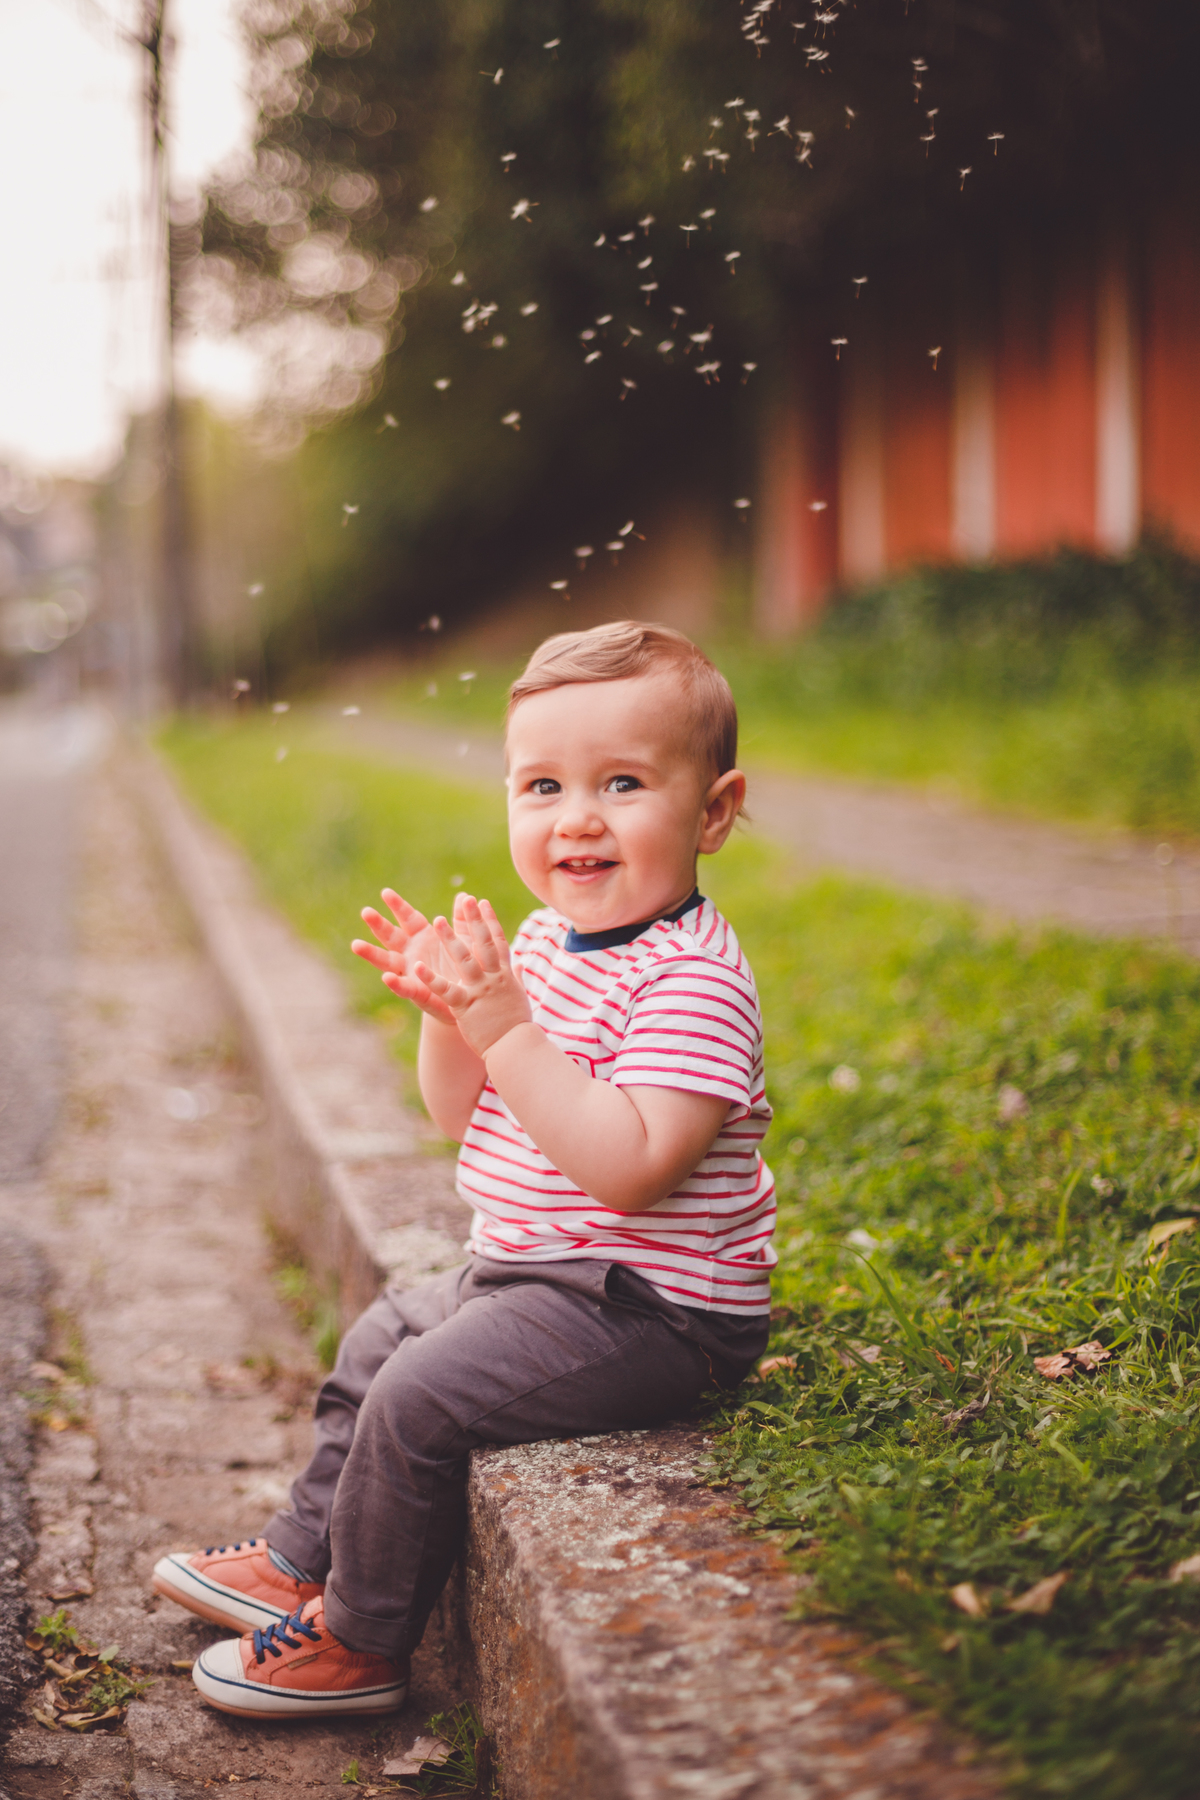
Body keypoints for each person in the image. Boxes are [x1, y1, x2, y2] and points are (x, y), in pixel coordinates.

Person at [152, 620, 777, 1720]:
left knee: (418, 1398)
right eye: (542, 786)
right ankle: (299, 1561)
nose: (576, 817)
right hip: (539, 1275)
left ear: (713, 811)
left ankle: (362, 1640)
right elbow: (460, 1114)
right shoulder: (538, 943)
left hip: (652, 1311)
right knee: (379, 1340)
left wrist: (507, 1028)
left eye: (623, 782)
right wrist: (453, 1016)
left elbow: (631, 1169)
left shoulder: (692, 982)